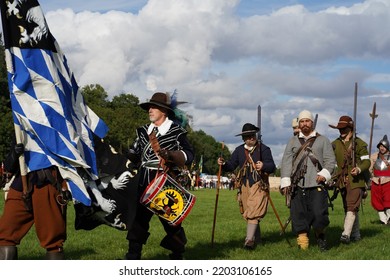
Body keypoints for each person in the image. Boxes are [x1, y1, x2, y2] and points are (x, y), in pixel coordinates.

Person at [125, 92, 194, 260]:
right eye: (149, 107)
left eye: (154, 107)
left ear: (164, 111)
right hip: (143, 181)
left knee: (172, 222)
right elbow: (137, 154)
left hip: (166, 181)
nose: (150, 109)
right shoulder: (142, 132)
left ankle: (177, 256)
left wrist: (171, 155)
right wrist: (131, 157)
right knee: (138, 221)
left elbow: (190, 154)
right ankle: (133, 256)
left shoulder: (177, 132)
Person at [0, 138, 68, 260]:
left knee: (53, 240)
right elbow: (9, 167)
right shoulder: (20, 129)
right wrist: (15, 154)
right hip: (21, 185)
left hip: (47, 183)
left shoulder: (53, 125)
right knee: (5, 235)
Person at [280, 110, 335, 251]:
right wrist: (286, 181)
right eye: (302, 121)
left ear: (312, 122)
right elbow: (286, 162)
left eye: (307, 121)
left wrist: (324, 174)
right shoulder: (292, 141)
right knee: (298, 215)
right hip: (297, 185)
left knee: (319, 215)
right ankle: (303, 243)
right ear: (299, 124)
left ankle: (320, 236)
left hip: (317, 184)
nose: (304, 124)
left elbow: (330, 161)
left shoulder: (323, 140)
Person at [217, 123, 276, 249]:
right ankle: (257, 238)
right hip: (244, 185)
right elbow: (232, 165)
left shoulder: (264, 149)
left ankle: (248, 241)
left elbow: (272, 166)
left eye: (253, 135)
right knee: (249, 211)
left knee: (254, 210)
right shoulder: (239, 150)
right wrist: (223, 163)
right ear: (244, 138)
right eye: (248, 136)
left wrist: (263, 166)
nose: (251, 138)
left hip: (259, 184)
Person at [329, 115, 370, 244]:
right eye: (339, 129)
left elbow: (367, 162)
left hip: (356, 180)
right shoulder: (334, 144)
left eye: (344, 128)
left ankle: (345, 234)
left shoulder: (360, 144)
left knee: (352, 206)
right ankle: (356, 234)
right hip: (342, 180)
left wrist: (358, 169)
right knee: (349, 207)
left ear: (350, 128)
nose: (341, 131)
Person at [369, 135, 390, 225]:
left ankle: (389, 218)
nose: (382, 148)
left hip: (388, 181)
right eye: (380, 146)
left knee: (388, 199)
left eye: (384, 146)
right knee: (376, 200)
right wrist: (371, 177)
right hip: (376, 181)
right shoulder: (374, 156)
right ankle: (383, 220)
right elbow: (369, 169)